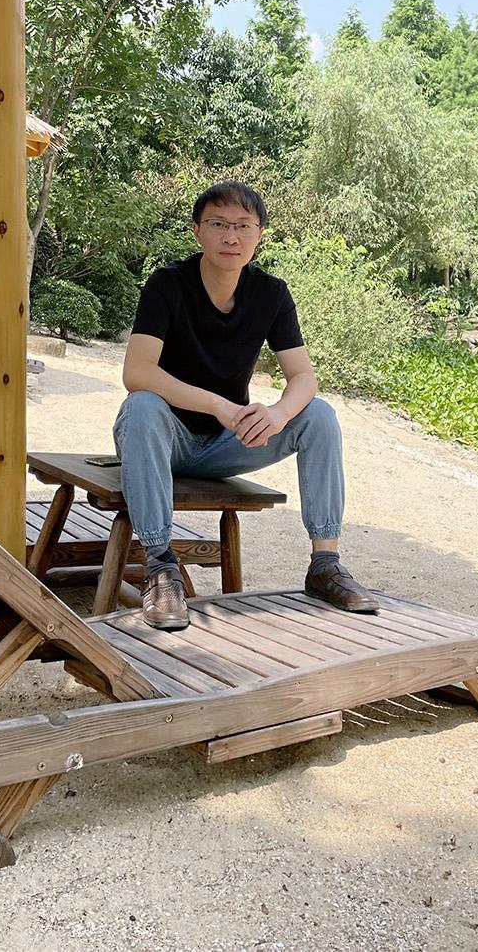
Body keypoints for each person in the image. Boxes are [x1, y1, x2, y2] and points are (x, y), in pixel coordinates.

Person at [113, 180, 379, 631]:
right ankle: (160, 568)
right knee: (142, 405)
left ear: (260, 234)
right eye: (218, 224)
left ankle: (325, 565)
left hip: (225, 443)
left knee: (318, 415)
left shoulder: (271, 294)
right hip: (161, 438)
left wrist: (276, 414)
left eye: (242, 226)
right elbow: (137, 372)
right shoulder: (167, 284)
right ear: (197, 230)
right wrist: (218, 405)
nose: (230, 236)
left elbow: (304, 377)